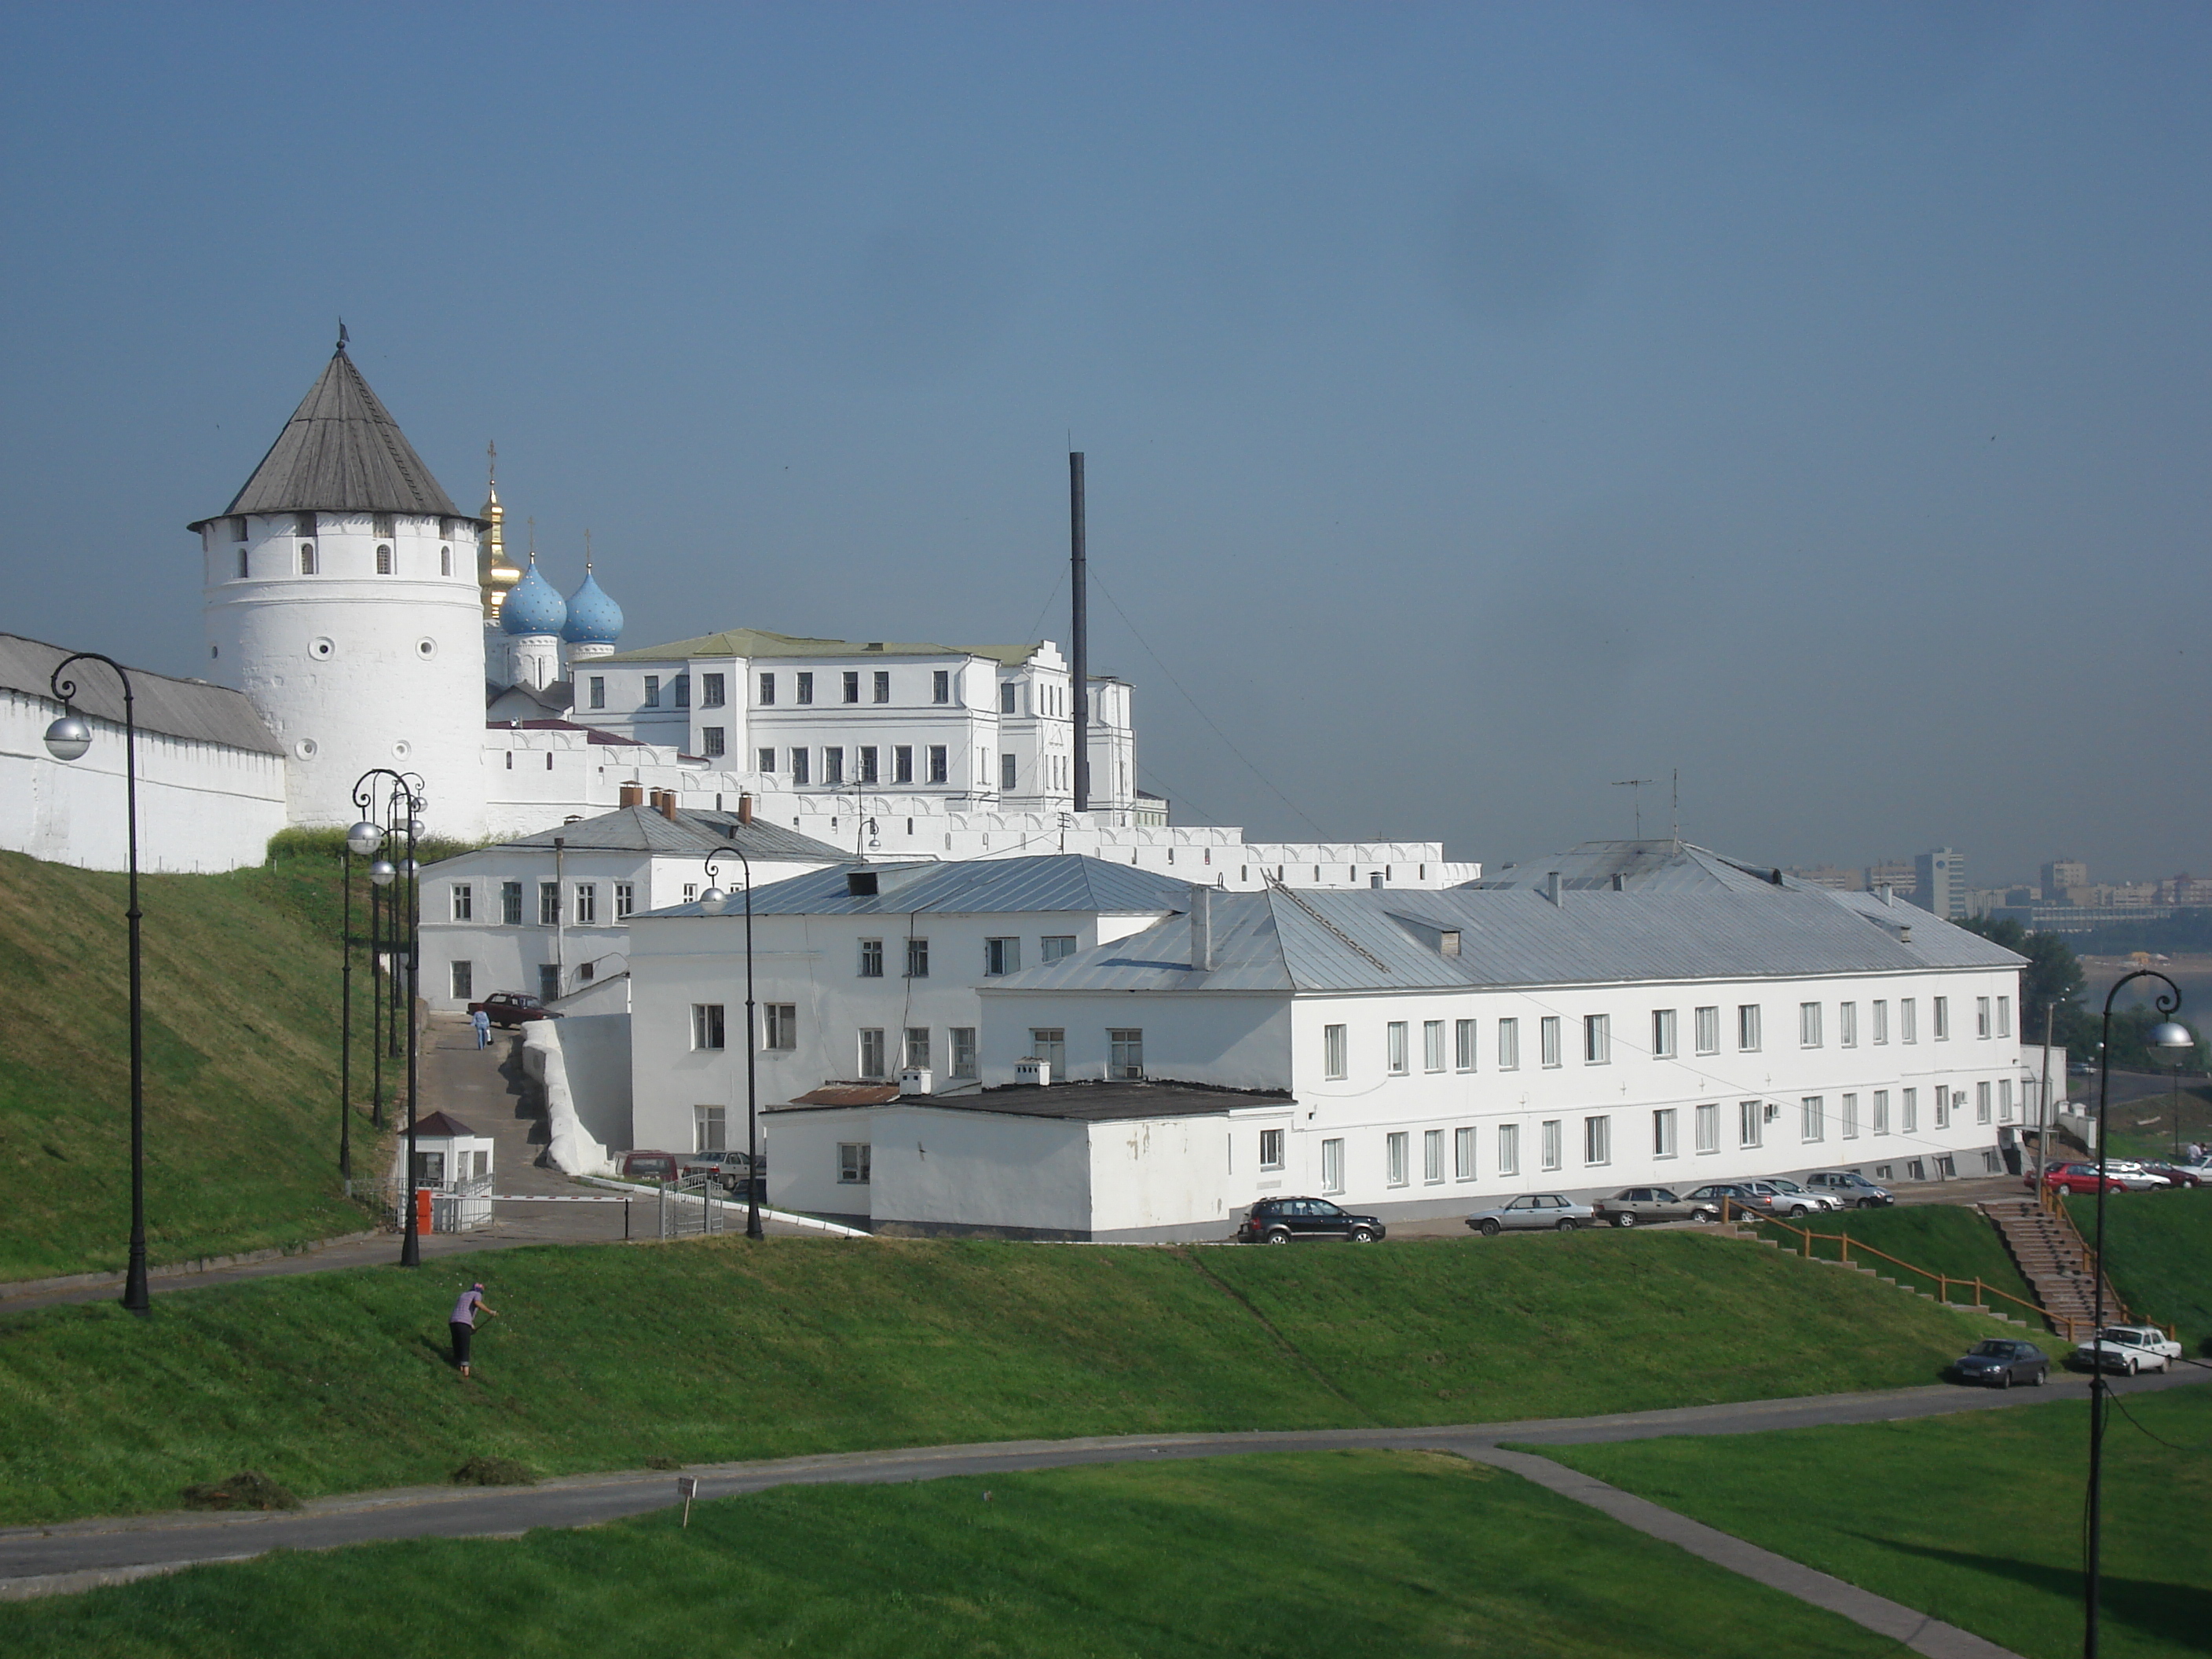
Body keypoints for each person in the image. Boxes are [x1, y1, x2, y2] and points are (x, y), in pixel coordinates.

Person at [450, 1281, 497, 1378]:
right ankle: (465, 1374)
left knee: (457, 1343)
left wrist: (471, 1325)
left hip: (453, 1321)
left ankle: (456, 1365)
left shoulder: (463, 1295)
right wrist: (490, 1312)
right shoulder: (477, 1294)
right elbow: (477, 1303)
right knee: (464, 1346)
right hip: (464, 1322)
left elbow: (463, 1309)